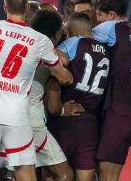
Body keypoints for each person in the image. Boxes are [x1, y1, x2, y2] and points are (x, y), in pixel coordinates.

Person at [0, 0, 72, 181]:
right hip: (21, 118)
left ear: (4, 7)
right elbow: (63, 70)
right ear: (26, 10)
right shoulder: (40, 44)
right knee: (43, 173)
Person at [47, 12, 110, 181]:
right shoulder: (106, 51)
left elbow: (51, 60)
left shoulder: (73, 42)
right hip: (90, 123)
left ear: (72, 32)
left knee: (54, 176)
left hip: (67, 117)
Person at [92, 0, 131, 181]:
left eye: (99, 15)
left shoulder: (110, 29)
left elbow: (78, 32)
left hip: (119, 113)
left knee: (107, 177)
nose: (96, 20)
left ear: (112, 15)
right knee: (107, 174)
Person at [29, 10, 74, 181]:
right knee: (64, 174)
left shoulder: (19, 44)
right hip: (31, 122)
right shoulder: (45, 48)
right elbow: (64, 64)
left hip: (5, 116)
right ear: (56, 34)